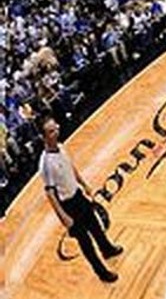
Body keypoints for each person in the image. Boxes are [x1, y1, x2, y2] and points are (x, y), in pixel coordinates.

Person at [39, 116, 123, 282]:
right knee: (86, 243)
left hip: (78, 196)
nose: (56, 131)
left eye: (55, 127)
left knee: (96, 226)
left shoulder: (61, 147)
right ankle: (102, 273)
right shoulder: (46, 164)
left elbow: (71, 167)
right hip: (69, 206)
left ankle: (107, 249)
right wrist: (64, 218)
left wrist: (84, 184)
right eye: (51, 131)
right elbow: (50, 194)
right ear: (44, 137)